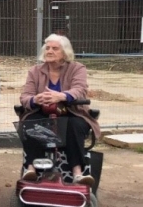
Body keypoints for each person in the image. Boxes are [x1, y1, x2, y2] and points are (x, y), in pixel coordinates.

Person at [18, 34, 100, 185]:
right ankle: (30, 169)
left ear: (65, 52)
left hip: (71, 112)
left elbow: (80, 90)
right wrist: (35, 99)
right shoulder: (35, 71)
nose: (49, 51)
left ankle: (77, 173)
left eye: (55, 48)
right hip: (41, 112)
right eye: (47, 48)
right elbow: (25, 96)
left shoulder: (77, 68)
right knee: (31, 123)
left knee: (73, 125)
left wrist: (62, 96)